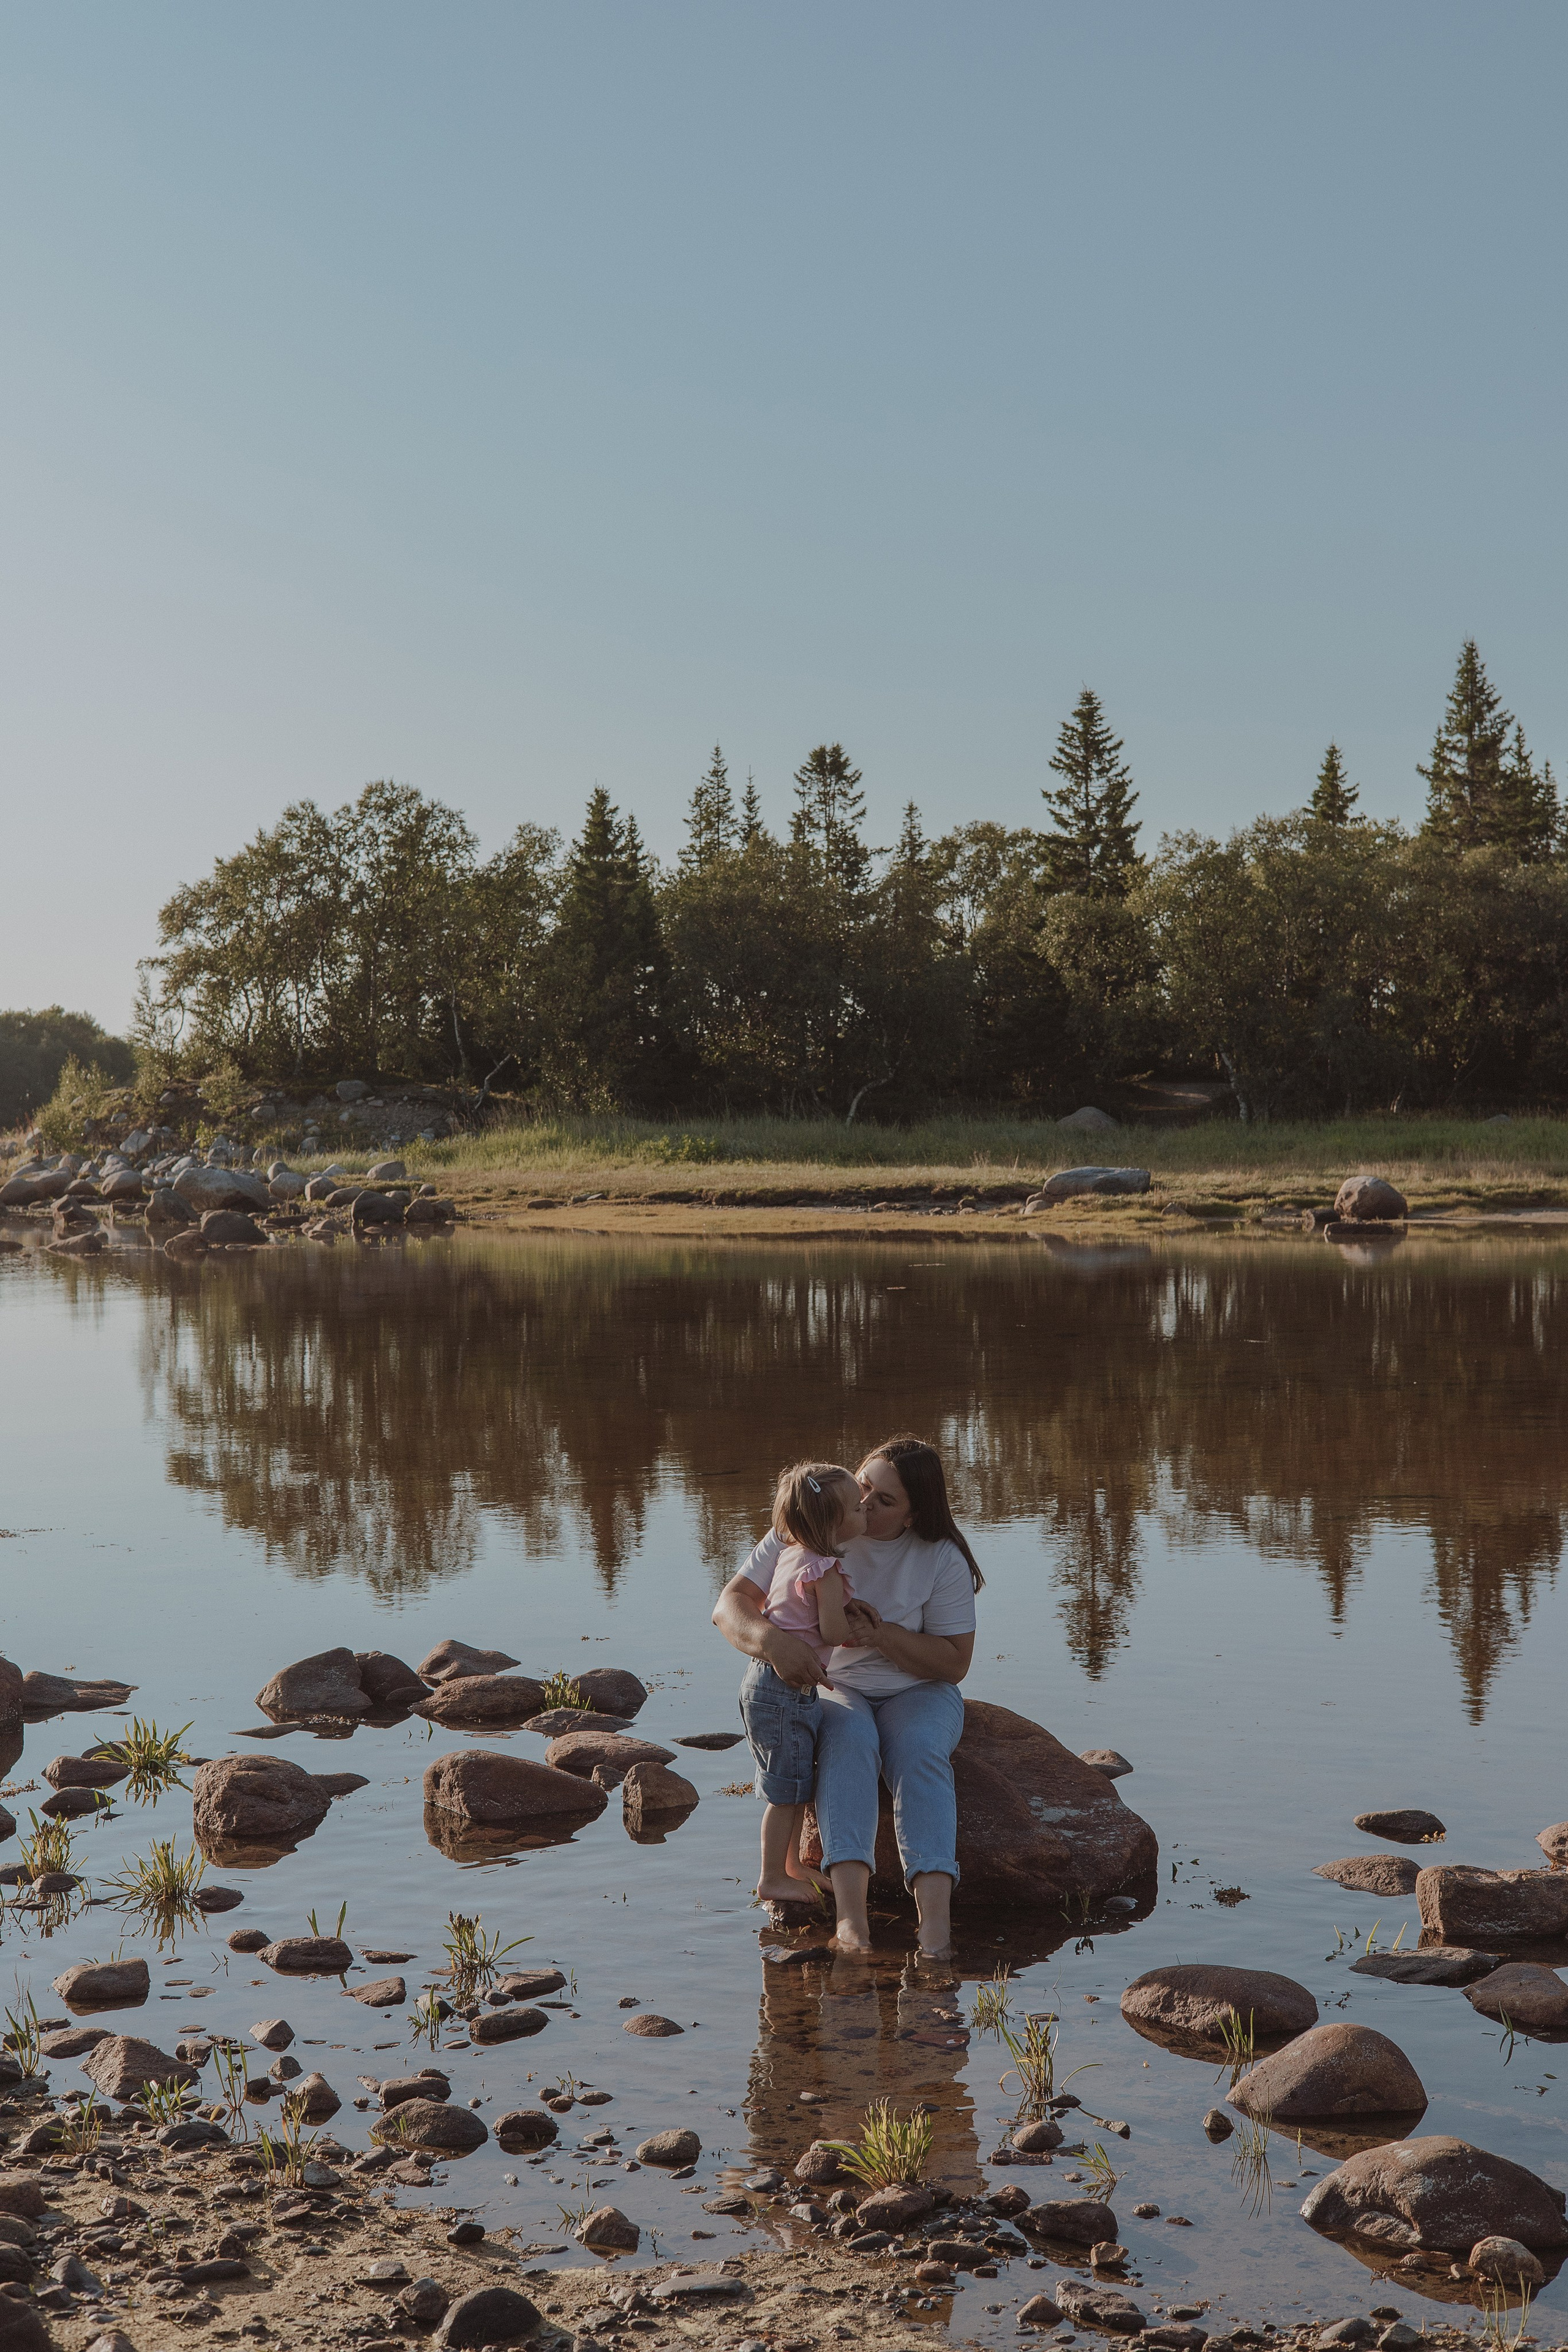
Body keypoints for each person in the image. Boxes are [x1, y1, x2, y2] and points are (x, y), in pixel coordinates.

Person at [713, 1434, 980, 1958]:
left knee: (920, 1752)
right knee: (850, 1744)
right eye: (863, 1486)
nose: (865, 1502)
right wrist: (773, 1644)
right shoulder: (812, 1523)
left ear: (913, 1515)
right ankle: (852, 1924)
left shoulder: (941, 1557)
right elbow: (730, 1606)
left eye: (885, 1500)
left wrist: (882, 1636)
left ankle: (936, 1931)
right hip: (837, 1688)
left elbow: (954, 1663)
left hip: (919, 1691)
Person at [738, 1460, 864, 1904]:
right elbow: (831, 1631)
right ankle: (772, 1876)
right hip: (786, 1689)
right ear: (833, 1523)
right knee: (786, 1793)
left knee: (790, 1783)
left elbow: (800, 1613)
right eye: (857, 1508)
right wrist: (857, 1628)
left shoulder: (791, 1554)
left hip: (764, 1680)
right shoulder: (824, 1568)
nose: (865, 1511)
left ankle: (791, 1866)